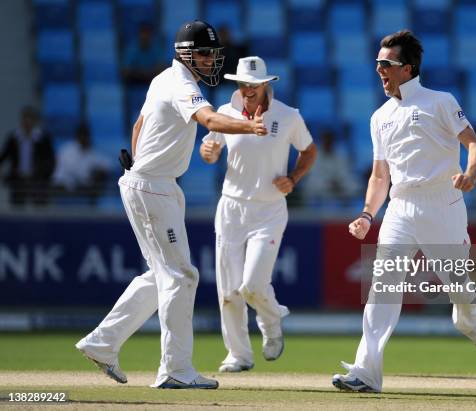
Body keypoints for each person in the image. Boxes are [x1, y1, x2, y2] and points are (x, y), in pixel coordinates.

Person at [75, 20, 268, 390]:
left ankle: (102, 342)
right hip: (154, 188)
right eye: (205, 54)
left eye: (214, 54)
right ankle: (175, 370)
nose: (211, 61)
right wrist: (250, 126)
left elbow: (138, 125)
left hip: (152, 184)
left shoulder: (163, 78)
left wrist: (139, 162)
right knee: (182, 276)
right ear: (185, 54)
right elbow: (209, 119)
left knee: (161, 275)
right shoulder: (180, 84)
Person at [332, 30, 476, 393]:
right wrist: (366, 214)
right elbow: (380, 175)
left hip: (443, 204)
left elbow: (474, 145)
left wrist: (469, 175)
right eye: (377, 63)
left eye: (386, 64)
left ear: (407, 68)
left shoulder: (439, 101)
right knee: (383, 288)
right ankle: (366, 372)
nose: (379, 69)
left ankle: (470, 319)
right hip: (400, 207)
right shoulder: (380, 116)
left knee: (459, 288)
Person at [200, 56, 317, 373]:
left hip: (269, 210)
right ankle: (238, 354)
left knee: (252, 284)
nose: (247, 90)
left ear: (267, 84)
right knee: (228, 289)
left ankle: (272, 320)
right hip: (231, 208)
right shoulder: (224, 113)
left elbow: (309, 150)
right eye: (242, 84)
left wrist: (293, 178)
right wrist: (208, 153)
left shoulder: (288, 115)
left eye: (253, 85)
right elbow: (209, 149)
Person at [0, 105, 55, 206]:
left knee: (39, 208)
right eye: (25, 118)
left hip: (37, 181)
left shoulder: (43, 138)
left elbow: (51, 160)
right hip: (19, 180)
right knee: (18, 209)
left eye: (30, 118)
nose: (27, 122)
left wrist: (44, 174)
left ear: (35, 121)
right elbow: (3, 157)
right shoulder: (14, 138)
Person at [52, 123, 111, 205]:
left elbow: (108, 165)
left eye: (86, 136)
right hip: (63, 188)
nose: (84, 138)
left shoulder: (92, 152)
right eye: (81, 135)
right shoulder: (67, 150)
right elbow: (74, 172)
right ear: (77, 136)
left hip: (82, 189)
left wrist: (98, 172)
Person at [302, 129, 360, 205]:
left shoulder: (340, 155)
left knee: (354, 185)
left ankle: (348, 207)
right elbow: (314, 175)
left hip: (338, 185)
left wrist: (337, 182)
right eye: (326, 141)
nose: (328, 143)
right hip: (321, 187)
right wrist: (328, 183)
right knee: (311, 185)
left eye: (330, 141)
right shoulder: (314, 155)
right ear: (322, 141)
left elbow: (344, 173)